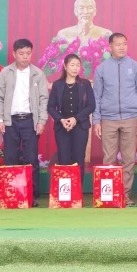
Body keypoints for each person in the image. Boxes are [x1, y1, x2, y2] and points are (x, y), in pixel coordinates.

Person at [0, 39, 49, 207]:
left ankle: (31, 196)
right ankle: (9, 195)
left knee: (30, 159)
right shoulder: (6, 72)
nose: (25, 57)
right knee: (10, 158)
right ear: (14, 54)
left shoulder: (38, 73)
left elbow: (43, 99)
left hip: (30, 121)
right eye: (21, 53)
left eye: (28, 53)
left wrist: (41, 120)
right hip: (10, 121)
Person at [93, 33, 137, 207]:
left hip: (131, 118)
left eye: (124, 44)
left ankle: (125, 194)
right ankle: (108, 194)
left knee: (128, 159)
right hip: (108, 119)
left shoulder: (135, 67)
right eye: (118, 44)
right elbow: (97, 97)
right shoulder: (101, 69)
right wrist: (96, 120)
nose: (122, 47)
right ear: (110, 47)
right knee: (108, 159)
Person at [47, 54, 95, 184]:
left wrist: (75, 119)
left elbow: (91, 106)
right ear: (65, 66)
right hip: (62, 127)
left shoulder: (85, 84)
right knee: (64, 160)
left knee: (78, 160)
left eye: (78, 65)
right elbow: (50, 107)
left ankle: (77, 191)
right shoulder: (57, 85)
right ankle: (66, 192)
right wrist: (61, 119)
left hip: (80, 127)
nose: (75, 68)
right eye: (72, 65)